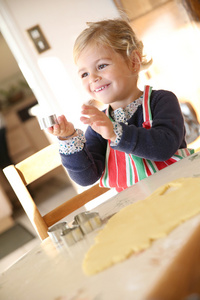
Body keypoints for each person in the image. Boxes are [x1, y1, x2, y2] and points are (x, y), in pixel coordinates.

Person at [47, 18, 194, 192]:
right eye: (84, 74)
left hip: (181, 189)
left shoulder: (162, 100)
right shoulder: (97, 126)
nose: (93, 77)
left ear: (133, 62)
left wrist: (115, 132)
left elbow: (164, 148)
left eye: (101, 66)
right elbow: (86, 177)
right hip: (138, 206)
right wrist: (69, 139)